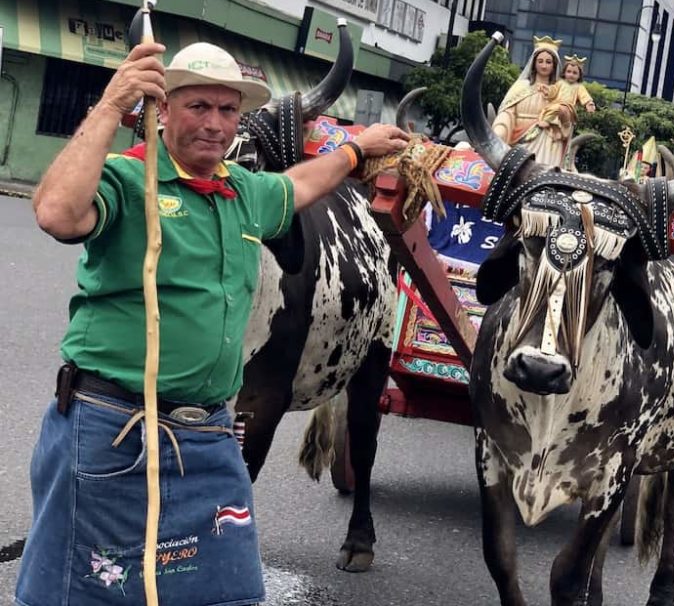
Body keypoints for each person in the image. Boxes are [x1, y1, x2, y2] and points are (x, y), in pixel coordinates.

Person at [18, 41, 409, 606]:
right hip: (114, 427)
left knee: (228, 591)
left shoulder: (241, 191)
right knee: (84, 595)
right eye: (198, 107)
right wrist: (109, 106)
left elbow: (298, 187)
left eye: (227, 111)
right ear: (164, 109)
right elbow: (56, 212)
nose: (215, 124)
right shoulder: (131, 180)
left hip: (209, 437)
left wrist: (354, 152)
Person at [491, 35, 568, 167]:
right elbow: (507, 113)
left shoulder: (560, 90)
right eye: (540, 61)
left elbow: (567, 120)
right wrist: (500, 129)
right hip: (519, 142)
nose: (544, 65)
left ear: (554, 65)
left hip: (547, 142)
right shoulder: (521, 87)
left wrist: (560, 113)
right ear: (534, 63)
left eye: (548, 62)